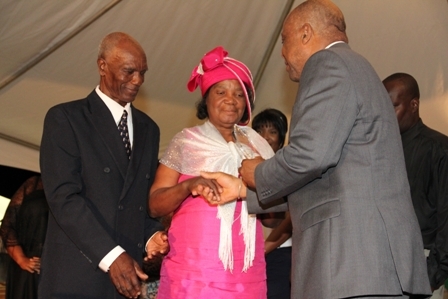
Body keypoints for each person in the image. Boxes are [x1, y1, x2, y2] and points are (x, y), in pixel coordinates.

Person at [201, 0, 432, 298]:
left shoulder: (328, 64)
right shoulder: (358, 68)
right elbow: (327, 178)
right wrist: (245, 192)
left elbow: (311, 155)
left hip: (350, 263)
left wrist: (258, 173)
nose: (282, 53)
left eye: (285, 41)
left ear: (306, 33)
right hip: (368, 265)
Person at [39, 32, 168, 299]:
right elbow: (63, 199)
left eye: (143, 73)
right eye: (129, 71)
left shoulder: (149, 130)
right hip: (76, 277)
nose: (138, 81)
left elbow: (138, 202)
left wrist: (151, 236)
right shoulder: (66, 119)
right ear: (102, 66)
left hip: (126, 281)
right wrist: (113, 256)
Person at [148, 46, 275, 298]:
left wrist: (261, 186)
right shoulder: (186, 141)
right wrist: (187, 186)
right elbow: (154, 205)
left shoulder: (258, 145)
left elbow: (275, 217)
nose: (231, 100)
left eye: (239, 94)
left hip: (247, 271)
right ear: (206, 98)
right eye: (221, 92)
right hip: (194, 272)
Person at [383, 72, 448, 296]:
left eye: (393, 106)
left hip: (422, 264)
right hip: (382, 266)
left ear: (414, 104)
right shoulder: (379, 151)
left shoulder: (439, 149)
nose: (387, 115)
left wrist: (432, 276)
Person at [252, 109, 292, 299]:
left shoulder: (290, 170)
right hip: (250, 254)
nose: (265, 137)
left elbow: (292, 219)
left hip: (281, 253)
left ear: (281, 137)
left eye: (272, 132)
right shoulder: (245, 167)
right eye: (259, 131)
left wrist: (266, 248)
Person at [0, 175, 47, 299]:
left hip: (60, 266)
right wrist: (21, 259)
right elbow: (8, 225)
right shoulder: (34, 183)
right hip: (29, 265)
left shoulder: (79, 189)